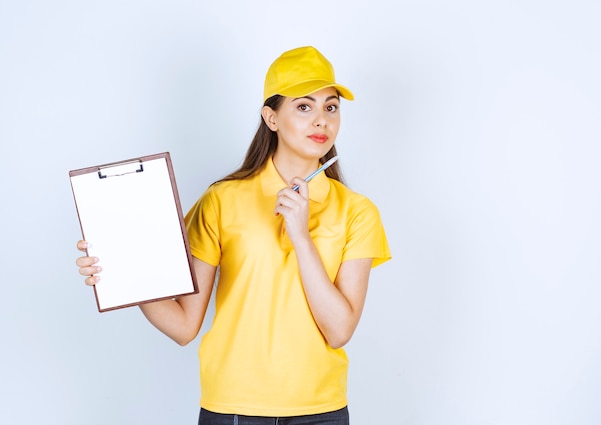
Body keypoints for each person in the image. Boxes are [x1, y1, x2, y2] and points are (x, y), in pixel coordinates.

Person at [76, 46, 391, 425]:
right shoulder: (222, 200)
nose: (321, 120)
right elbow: (184, 326)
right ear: (271, 118)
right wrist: (125, 275)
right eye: (304, 107)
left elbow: (339, 330)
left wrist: (301, 237)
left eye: (331, 107)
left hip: (320, 411)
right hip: (233, 409)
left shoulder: (358, 211)